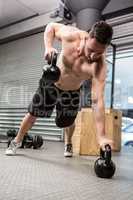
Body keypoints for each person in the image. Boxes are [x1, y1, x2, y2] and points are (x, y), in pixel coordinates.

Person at [5, 21, 114, 157]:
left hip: (72, 92)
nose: (93, 56)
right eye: (91, 50)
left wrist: (102, 135)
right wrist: (48, 47)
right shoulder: (71, 36)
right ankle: (17, 140)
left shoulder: (99, 67)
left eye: (99, 52)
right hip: (51, 84)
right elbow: (50, 26)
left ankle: (68, 143)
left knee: (67, 122)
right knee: (33, 113)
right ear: (87, 39)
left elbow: (97, 101)